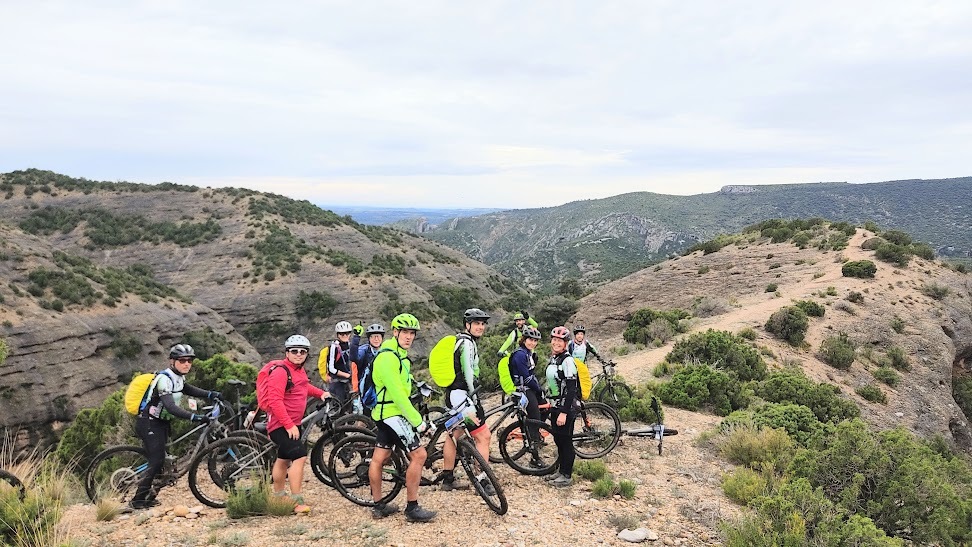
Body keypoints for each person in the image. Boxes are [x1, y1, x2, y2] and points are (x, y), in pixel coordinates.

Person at [129, 344, 221, 510]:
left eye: (190, 360)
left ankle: (150, 498)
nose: (187, 364)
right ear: (172, 361)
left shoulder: (178, 377)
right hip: (149, 422)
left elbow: (186, 388)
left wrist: (209, 394)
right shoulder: (165, 379)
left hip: (162, 422)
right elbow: (171, 407)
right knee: (156, 461)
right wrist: (195, 417)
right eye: (182, 360)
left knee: (162, 461)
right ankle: (137, 500)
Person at [369, 313, 436, 522]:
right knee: (419, 456)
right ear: (395, 332)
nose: (409, 337)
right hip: (392, 415)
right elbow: (397, 394)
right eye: (405, 332)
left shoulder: (398, 355)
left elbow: (404, 382)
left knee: (380, 458)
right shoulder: (388, 357)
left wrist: (418, 385)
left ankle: (379, 506)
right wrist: (418, 422)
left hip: (386, 414)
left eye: (412, 333)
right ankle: (412, 508)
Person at [264, 334, 328, 513]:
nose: (299, 354)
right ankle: (296, 501)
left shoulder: (298, 371)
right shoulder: (280, 371)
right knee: (299, 456)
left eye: (303, 351)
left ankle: (278, 497)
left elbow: (303, 387)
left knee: (283, 459)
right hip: (281, 425)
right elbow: (275, 400)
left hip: (293, 423)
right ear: (287, 352)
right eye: (294, 351)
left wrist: (321, 394)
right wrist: (288, 425)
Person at [441, 308, 493, 494]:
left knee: (454, 434)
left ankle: (448, 479)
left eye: (482, 323)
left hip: (452, 396)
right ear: (467, 324)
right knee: (483, 436)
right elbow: (468, 374)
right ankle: (482, 480)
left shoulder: (459, 340)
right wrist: (476, 399)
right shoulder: (467, 344)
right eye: (477, 323)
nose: (481, 327)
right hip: (463, 398)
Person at [545, 326, 579, 488]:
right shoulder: (554, 359)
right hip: (554, 406)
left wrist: (564, 412)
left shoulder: (568, 361)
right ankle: (560, 470)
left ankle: (567, 475)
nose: (556, 343)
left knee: (566, 441)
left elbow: (571, 389)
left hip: (566, 408)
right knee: (558, 440)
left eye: (560, 341)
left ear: (566, 343)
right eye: (554, 340)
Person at [508, 326, 548, 468]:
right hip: (524, 390)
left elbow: (532, 374)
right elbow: (526, 378)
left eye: (535, 340)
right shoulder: (520, 354)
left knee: (545, 408)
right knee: (535, 419)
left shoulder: (528, 353)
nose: (533, 343)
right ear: (524, 339)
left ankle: (536, 437)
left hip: (530, 388)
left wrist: (539, 390)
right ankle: (534, 457)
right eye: (530, 340)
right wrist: (539, 389)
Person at [326, 321, 355, 407]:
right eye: (342, 334)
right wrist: (346, 375)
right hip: (337, 381)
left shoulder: (349, 345)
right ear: (338, 335)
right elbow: (331, 368)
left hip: (347, 381)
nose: (345, 336)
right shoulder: (334, 347)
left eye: (347, 333)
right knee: (338, 407)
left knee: (349, 405)